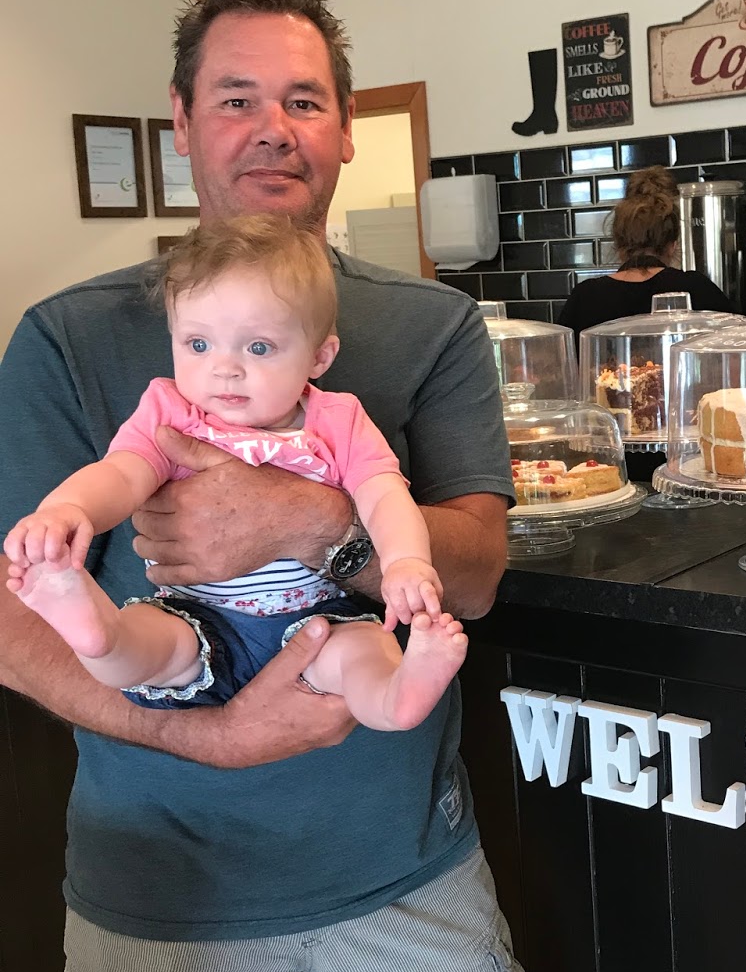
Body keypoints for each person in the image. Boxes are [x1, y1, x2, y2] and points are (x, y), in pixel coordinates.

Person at [0, 0, 553, 972]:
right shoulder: (72, 342)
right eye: (236, 97)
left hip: (403, 858)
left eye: (303, 100)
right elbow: (10, 610)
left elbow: (476, 570)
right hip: (162, 879)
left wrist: (310, 526)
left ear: (345, 128)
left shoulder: (427, 328)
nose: (271, 127)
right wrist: (209, 737)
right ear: (182, 122)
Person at [5, 215, 467, 732]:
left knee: (364, 650)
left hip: (318, 617)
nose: (224, 367)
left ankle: (396, 697)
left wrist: (405, 562)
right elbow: (121, 474)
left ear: (319, 356)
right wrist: (69, 510)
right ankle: (96, 634)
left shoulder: (337, 421)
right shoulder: (173, 413)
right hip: (196, 615)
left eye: (258, 347)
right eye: (198, 345)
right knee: (146, 646)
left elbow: (383, 496)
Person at [556, 163, 735, 343]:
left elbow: (558, 357)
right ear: (672, 245)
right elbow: (736, 347)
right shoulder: (697, 288)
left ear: (618, 244)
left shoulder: (586, 297)